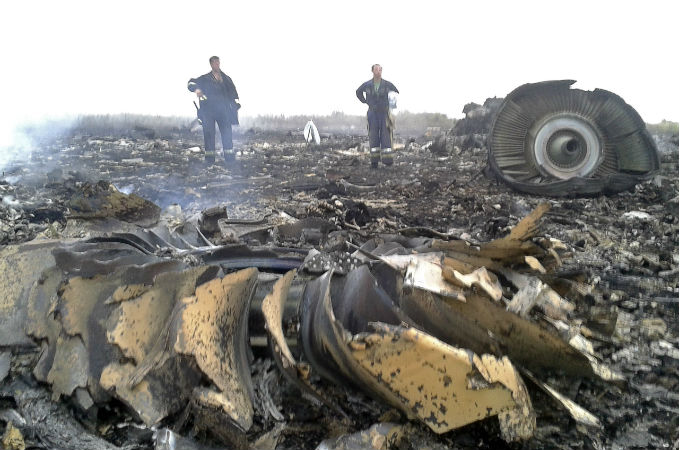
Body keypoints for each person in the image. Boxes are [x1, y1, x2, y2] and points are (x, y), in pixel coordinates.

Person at [187, 56, 240, 164]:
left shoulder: (226, 79)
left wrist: (235, 106)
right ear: (211, 64)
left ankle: (229, 159)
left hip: (224, 111)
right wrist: (197, 89)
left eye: (218, 62)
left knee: (227, 133)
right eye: (215, 63)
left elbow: (234, 94)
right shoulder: (204, 79)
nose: (217, 65)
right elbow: (190, 83)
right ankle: (209, 160)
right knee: (209, 134)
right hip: (208, 111)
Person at [356, 64, 399, 167]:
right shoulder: (367, 85)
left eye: (380, 70)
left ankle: (388, 161)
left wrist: (392, 109)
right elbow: (358, 92)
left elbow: (396, 93)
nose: (378, 71)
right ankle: (374, 162)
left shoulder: (388, 84)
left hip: (384, 114)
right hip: (372, 113)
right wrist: (365, 101)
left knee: (386, 136)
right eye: (376, 70)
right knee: (373, 136)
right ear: (372, 71)